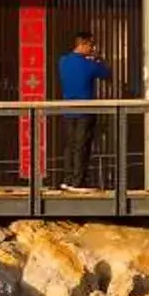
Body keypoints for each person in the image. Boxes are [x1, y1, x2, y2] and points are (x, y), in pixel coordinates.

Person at [54, 32, 112, 186]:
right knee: (82, 146)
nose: (92, 48)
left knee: (70, 145)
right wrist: (98, 59)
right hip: (85, 110)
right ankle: (78, 181)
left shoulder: (63, 61)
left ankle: (67, 178)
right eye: (91, 45)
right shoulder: (89, 65)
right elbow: (107, 73)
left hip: (67, 110)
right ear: (84, 44)